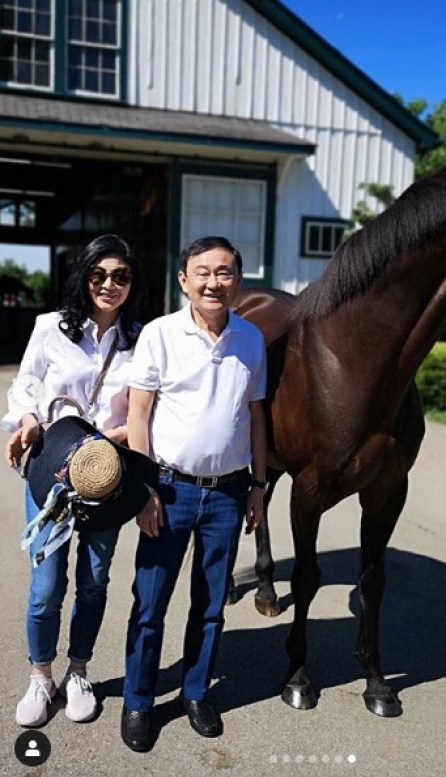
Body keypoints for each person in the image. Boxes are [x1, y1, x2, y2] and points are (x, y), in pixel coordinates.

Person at [121, 235, 267, 752]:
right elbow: (138, 415)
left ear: (238, 280)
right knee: (150, 602)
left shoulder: (250, 339)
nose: (213, 282)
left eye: (224, 272)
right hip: (169, 489)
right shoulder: (160, 335)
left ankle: (196, 691)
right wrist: (143, 488)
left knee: (210, 606)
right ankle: (138, 701)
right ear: (183, 281)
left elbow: (255, 416)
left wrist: (258, 485)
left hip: (228, 494)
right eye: (202, 272)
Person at [2, 234, 146, 727]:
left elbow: (150, 406)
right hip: (51, 470)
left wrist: (125, 433)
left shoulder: (142, 339)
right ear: (84, 277)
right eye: (99, 274)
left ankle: (78, 670)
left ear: (132, 283)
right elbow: (24, 383)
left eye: (121, 276)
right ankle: (40, 676)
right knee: (45, 587)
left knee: (94, 582)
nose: (109, 284)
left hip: (107, 475)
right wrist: (24, 418)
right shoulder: (51, 328)